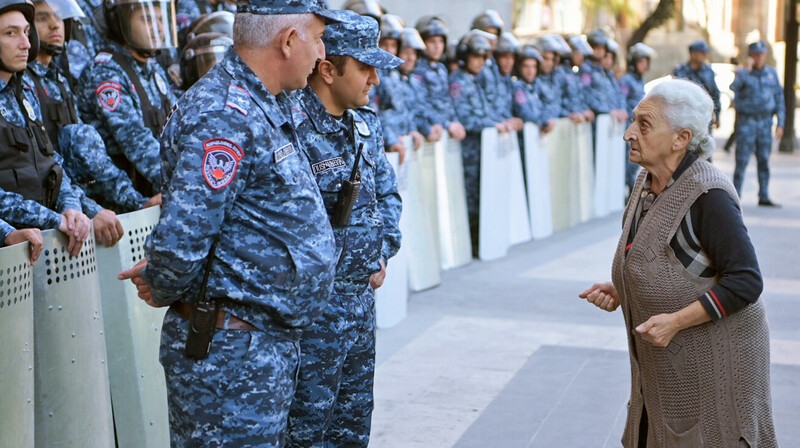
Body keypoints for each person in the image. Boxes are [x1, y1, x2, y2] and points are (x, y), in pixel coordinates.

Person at [117, 0, 342, 445]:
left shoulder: (265, 103)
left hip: (259, 347)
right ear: (288, 40)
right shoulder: (223, 113)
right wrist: (163, 281)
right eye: (318, 39)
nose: (321, 54)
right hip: (229, 355)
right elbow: (183, 235)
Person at [580, 78, 776, 448]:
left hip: (719, 363)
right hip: (665, 368)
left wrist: (676, 321)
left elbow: (745, 281)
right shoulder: (646, 181)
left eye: (644, 125)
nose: (628, 133)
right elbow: (660, 258)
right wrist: (625, 288)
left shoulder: (708, 194)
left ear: (681, 139)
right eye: (633, 121)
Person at [285, 11, 402, 446]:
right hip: (313, 310)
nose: (375, 79)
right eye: (365, 67)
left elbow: (388, 194)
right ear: (328, 70)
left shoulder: (365, 125)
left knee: (352, 426)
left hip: (360, 301)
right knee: (305, 429)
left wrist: (382, 250)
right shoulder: (290, 128)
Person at [29, 0, 157, 217]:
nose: (55, 24)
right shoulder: (23, 84)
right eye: (42, 18)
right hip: (51, 215)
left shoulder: (58, 80)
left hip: (76, 209)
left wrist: (137, 202)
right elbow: (44, 163)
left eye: (59, 16)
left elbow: (89, 154)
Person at [0, 0, 92, 257]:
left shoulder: (25, 93)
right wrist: (53, 219)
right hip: (11, 256)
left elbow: (50, 160)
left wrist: (71, 208)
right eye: (10, 33)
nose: (26, 44)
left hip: (45, 249)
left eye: (26, 32)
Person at [78, 0, 179, 196]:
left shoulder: (152, 68)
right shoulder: (106, 73)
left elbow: (178, 124)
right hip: (127, 203)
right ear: (121, 23)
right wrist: (184, 183)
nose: (158, 28)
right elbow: (136, 141)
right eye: (147, 19)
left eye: (161, 19)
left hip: (159, 192)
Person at [449, 30, 507, 254]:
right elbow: (466, 117)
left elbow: (485, 112)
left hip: (481, 149)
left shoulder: (475, 81)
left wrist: (498, 122)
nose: (481, 61)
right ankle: (472, 243)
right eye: (476, 56)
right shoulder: (459, 82)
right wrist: (492, 125)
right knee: (471, 197)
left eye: (484, 57)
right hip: (469, 151)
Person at [731, 40, 785, 207]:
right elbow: (733, 87)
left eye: (761, 54)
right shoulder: (743, 73)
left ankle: (764, 195)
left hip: (765, 123)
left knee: (764, 161)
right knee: (741, 161)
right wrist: (746, 70)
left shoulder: (771, 74)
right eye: (756, 55)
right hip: (747, 122)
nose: (759, 57)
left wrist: (780, 123)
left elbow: (779, 98)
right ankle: (735, 197)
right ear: (750, 56)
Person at [413, 15, 466, 141]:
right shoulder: (417, 70)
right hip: (431, 131)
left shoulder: (441, 69)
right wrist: (446, 124)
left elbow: (447, 101)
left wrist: (455, 122)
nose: (437, 46)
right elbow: (422, 105)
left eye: (441, 41)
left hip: (447, 132)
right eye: (432, 42)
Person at [619, 42, 654, 193]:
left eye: (646, 62)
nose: (644, 65)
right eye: (641, 61)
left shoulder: (640, 80)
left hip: (638, 127)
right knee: (627, 160)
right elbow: (621, 99)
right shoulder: (627, 80)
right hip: (628, 126)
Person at [673, 39, 722, 128]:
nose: (706, 56)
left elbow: (715, 94)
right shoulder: (681, 71)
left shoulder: (708, 71)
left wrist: (717, 116)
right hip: (686, 119)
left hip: (705, 119)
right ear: (693, 54)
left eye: (706, 53)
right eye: (702, 53)